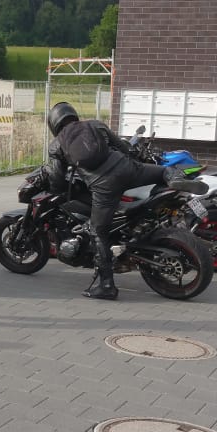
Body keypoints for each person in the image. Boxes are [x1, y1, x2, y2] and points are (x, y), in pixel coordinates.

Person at [45, 101, 168, 300]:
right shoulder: (95, 124)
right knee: (162, 172)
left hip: (104, 186)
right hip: (127, 169)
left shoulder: (57, 144)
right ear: (73, 114)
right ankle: (176, 179)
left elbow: (57, 180)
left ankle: (106, 285)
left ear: (53, 124)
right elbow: (123, 148)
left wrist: (56, 188)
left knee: (98, 231)